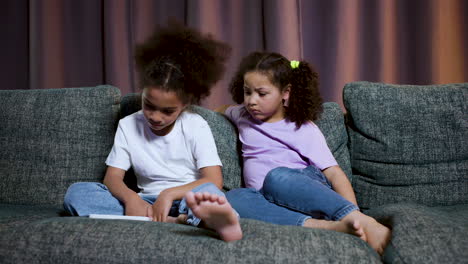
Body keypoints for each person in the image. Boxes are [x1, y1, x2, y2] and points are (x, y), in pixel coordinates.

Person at [63, 22, 242, 242]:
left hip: (188, 199)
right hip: (145, 202)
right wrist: (130, 199)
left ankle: (210, 219)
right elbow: (112, 178)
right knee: (77, 193)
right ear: (142, 92)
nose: (156, 117)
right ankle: (182, 222)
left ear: (185, 104)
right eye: (149, 105)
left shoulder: (196, 125)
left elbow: (214, 179)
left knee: (210, 195)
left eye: (167, 111)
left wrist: (169, 194)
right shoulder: (128, 125)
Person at [216, 51, 391, 253]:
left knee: (276, 176)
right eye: (247, 92)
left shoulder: (301, 128)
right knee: (234, 198)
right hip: (267, 200)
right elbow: (223, 109)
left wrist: (355, 213)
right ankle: (328, 227)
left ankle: (356, 220)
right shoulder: (242, 115)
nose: (251, 101)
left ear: (285, 93)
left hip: (299, 186)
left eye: (261, 94)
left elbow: (334, 172)